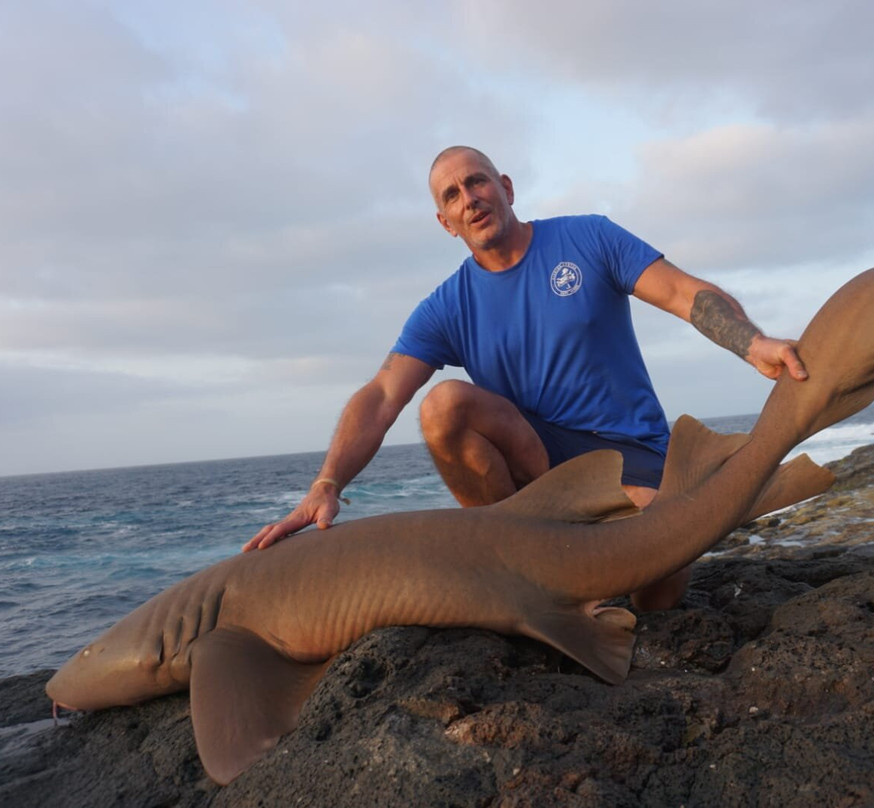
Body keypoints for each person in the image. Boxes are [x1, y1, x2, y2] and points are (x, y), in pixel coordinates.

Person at [244, 146, 806, 610]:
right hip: (540, 464)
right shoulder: (448, 306)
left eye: (477, 182)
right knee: (442, 407)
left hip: (634, 453)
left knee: (655, 603)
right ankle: (514, 569)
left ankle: (611, 544)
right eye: (453, 195)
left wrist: (752, 342)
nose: (470, 199)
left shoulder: (588, 239)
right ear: (446, 222)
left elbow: (683, 292)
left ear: (506, 188)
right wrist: (327, 484)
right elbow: (383, 393)